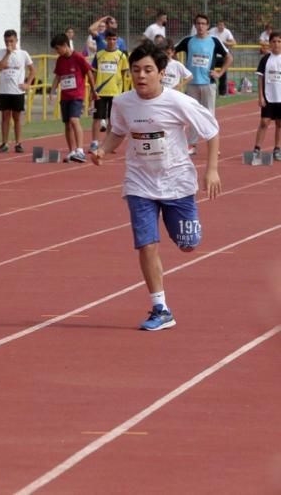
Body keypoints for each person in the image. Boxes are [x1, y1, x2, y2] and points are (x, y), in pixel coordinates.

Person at [90, 41, 220, 331]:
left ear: (162, 72)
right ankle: (160, 308)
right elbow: (118, 133)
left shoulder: (179, 102)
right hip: (139, 183)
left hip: (177, 183)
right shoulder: (123, 103)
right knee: (146, 244)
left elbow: (211, 131)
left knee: (188, 244)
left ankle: (188, 234)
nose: (141, 76)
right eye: (136, 70)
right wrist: (103, 150)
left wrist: (211, 171)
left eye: (148, 70)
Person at [174, 14, 232, 155]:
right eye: (198, 23)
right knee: (192, 114)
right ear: (195, 25)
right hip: (192, 83)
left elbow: (229, 57)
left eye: (203, 23)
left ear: (207, 26)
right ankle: (192, 145)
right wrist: (180, 68)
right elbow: (172, 52)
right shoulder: (188, 41)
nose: (200, 26)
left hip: (208, 83)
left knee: (209, 115)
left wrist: (219, 73)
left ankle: (213, 145)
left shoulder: (214, 41)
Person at [49, 33, 95, 163]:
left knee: (74, 120)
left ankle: (80, 150)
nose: (57, 52)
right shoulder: (60, 60)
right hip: (65, 96)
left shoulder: (78, 57)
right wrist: (52, 91)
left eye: (58, 49)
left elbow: (89, 73)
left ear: (65, 45)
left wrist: (93, 90)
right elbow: (58, 76)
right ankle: (72, 151)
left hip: (77, 95)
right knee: (67, 124)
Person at [0, 29, 35, 153]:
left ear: (16, 40)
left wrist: (28, 84)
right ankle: (4, 143)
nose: (9, 43)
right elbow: (0, 67)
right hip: (4, 90)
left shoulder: (23, 54)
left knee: (17, 117)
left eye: (11, 41)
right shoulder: (1, 52)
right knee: (5, 117)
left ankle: (18, 143)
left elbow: (32, 70)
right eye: (7, 41)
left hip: (17, 91)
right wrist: (8, 53)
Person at [89, 31, 130, 152]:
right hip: (100, 92)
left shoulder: (121, 56)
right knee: (97, 118)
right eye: (109, 39)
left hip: (115, 93)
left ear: (117, 40)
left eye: (114, 39)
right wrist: (92, 90)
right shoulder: (99, 54)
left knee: (112, 119)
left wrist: (123, 92)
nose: (112, 41)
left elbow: (124, 75)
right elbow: (94, 73)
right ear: (105, 40)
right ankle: (95, 143)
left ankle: (108, 144)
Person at [253, 31, 281, 161]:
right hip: (269, 96)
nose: (276, 44)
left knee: (279, 124)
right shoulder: (265, 59)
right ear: (270, 43)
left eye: (279, 41)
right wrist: (260, 97)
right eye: (274, 41)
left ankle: (277, 149)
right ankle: (257, 149)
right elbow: (260, 78)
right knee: (264, 122)